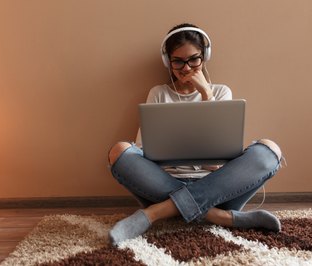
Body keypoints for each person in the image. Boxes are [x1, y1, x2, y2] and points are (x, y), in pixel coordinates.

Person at [107, 23, 283, 246]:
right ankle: (221, 217)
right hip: (163, 184)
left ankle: (154, 214)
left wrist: (206, 94)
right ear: (167, 61)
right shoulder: (158, 93)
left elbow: (223, 152)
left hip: (218, 188)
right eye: (178, 61)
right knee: (119, 150)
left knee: (269, 149)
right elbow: (143, 150)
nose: (186, 67)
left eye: (193, 59)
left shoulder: (220, 92)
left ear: (204, 57)